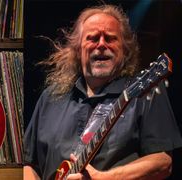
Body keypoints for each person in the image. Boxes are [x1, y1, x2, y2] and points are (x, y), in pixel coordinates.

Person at [23, 4, 182, 180]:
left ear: (125, 50)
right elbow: (29, 163)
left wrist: (105, 178)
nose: (101, 44)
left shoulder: (146, 92)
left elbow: (162, 162)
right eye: (92, 38)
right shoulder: (51, 97)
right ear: (78, 50)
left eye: (110, 38)